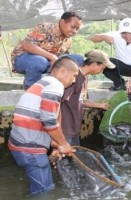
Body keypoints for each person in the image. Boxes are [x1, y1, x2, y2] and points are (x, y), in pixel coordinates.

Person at [8, 57, 79, 195]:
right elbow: (49, 120)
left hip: (20, 145)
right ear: (62, 71)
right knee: (44, 191)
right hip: (30, 149)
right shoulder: (55, 86)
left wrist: (55, 143)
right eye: (74, 75)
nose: (74, 80)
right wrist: (63, 144)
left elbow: (44, 117)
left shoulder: (43, 83)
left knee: (40, 188)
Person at [11, 11, 84, 90]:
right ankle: (31, 90)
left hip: (47, 63)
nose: (74, 31)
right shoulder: (45, 27)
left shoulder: (68, 40)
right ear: (62, 22)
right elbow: (27, 45)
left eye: (77, 29)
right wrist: (52, 57)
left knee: (77, 59)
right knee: (40, 61)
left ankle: (56, 87)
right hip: (23, 59)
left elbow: (63, 61)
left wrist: (55, 61)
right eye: (73, 27)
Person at [61, 50, 115, 146]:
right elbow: (59, 102)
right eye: (102, 68)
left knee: (72, 157)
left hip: (74, 128)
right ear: (94, 64)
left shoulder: (84, 78)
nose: (102, 71)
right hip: (65, 129)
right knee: (63, 159)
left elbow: (82, 101)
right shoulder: (74, 77)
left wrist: (101, 105)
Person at [89, 18, 131, 92]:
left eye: (130, 33)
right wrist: (104, 37)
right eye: (124, 33)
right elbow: (92, 38)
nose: (127, 36)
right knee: (105, 61)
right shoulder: (116, 35)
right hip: (122, 66)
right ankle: (119, 84)